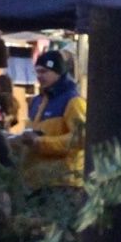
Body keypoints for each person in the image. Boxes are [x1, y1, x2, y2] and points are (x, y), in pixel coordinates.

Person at [17, 49, 86, 190]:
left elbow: (81, 138)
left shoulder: (73, 101)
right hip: (37, 181)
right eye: (37, 72)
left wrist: (40, 142)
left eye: (44, 72)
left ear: (58, 72)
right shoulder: (37, 101)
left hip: (63, 183)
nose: (39, 76)